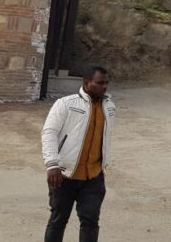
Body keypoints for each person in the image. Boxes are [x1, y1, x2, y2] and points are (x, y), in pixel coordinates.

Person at [41, 66, 116, 242]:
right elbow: (49, 132)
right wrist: (52, 164)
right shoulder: (66, 104)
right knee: (58, 221)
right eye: (99, 83)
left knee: (90, 222)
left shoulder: (110, 107)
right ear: (86, 83)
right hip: (64, 175)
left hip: (94, 177)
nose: (104, 87)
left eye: (106, 83)